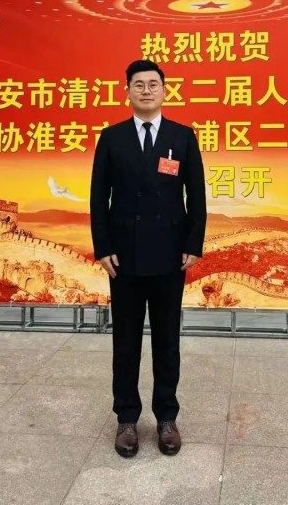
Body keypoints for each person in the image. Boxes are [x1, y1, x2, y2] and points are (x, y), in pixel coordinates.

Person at [89, 59, 207, 457]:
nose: (146, 90)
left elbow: (196, 196)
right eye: (138, 84)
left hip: (170, 256)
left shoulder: (182, 137)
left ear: (164, 90)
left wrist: (193, 243)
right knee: (125, 341)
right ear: (127, 91)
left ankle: (167, 417)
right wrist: (103, 247)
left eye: (153, 84)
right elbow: (98, 198)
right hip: (123, 258)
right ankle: (126, 418)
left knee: (167, 340)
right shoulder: (112, 138)